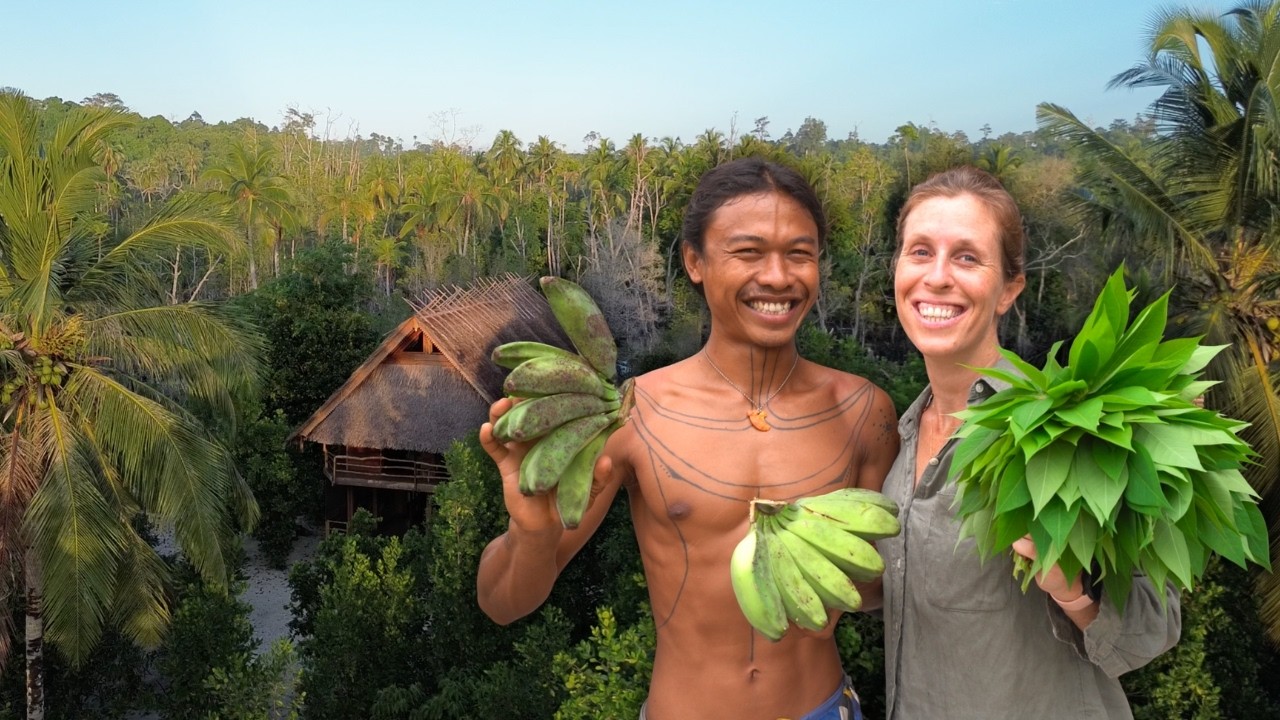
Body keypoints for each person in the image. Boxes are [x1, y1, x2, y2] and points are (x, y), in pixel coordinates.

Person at [477, 157, 899, 720]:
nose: (777, 277)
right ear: (695, 262)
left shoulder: (863, 412)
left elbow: (875, 589)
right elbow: (503, 604)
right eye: (748, 252)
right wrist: (530, 534)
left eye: (800, 253)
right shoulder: (635, 414)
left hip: (821, 708)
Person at [868, 166, 1181, 719]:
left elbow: (1150, 632)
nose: (937, 277)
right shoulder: (901, 434)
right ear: (896, 269)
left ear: (1009, 288)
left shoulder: (1063, 431)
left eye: (966, 257)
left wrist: (1072, 588)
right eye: (920, 251)